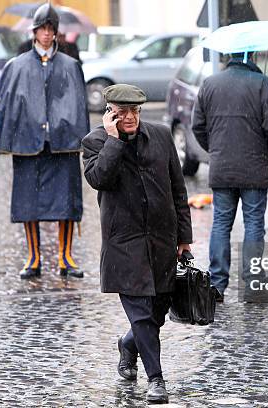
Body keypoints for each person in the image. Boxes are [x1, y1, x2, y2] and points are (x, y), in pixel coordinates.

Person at [82, 84, 192, 404]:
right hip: (124, 245)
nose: (129, 117)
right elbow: (99, 178)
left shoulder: (160, 135)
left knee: (156, 313)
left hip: (162, 242)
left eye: (134, 111)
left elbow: (178, 190)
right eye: (122, 112)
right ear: (110, 113)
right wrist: (114, 140)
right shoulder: (96, 142)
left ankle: (129, 345)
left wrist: (184, 238)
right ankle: (156, 379)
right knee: (142, 315)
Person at [0, 2, 89, 279]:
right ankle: (33, 257)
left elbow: (79, 106)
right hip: (29, 144)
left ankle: (65, 257)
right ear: (34, 31)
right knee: (28, 203)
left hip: (62, 144)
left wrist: (79, 139)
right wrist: (8, 140)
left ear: (57, 32)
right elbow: (7, 106)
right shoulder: (17, 66)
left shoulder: (71, 66)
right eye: (42, 29)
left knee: (67, 203)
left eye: (51, 29)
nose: (47, 34)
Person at [192, 51, 268, 301]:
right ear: (252, 57)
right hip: (254, 168)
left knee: (221, 224)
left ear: (229, 56)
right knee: (254, 224)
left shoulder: (210, 84)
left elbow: (198, 127)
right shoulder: (263, 85)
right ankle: (254, 284)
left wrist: (216, 149)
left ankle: (216, 285)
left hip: (222, 167)